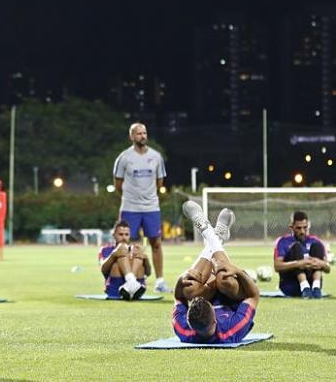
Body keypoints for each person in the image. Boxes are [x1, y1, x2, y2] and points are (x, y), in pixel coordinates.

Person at [172, 201, 259, 344]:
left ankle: (214, 236)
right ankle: (215, 236)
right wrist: (238, 271)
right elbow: (254, 296)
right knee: (224, 279)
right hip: (232, 294)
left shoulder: (183, 330)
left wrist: (181, 278)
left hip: (207, 285)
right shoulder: (231, 330)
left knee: (189, 287)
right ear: (215, 320)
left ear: (188, 319)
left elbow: (178, 298)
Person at [112, 122, 169, 293]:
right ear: (131, 136)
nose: (142, 136)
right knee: (128, 244)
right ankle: (132, 280)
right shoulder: (124, 158)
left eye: (144, 133)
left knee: (156, 243)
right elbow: (117, 184)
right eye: (138, 133)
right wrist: (133, 197)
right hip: (130, 207)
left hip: (151, 207)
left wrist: (148, 196)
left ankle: (160, 281)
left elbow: (160, 181)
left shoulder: (156, 157)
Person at [273, 211, 331, 299]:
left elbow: (328, 268)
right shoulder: (283, 241)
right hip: (291, 285)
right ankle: (305, 287)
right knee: (297, 247)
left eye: (305, 227)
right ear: (291, 227)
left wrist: (321, 263)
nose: (302, 231)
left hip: (311, 281)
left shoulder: (315, 240)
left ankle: (316, 288)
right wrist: (298, 263)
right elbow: (277, 266)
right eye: (298, 228)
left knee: (317, 246)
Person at [98, 220, 149, 300]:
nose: (124, 237)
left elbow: (148, 273)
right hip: (115, 291)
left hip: (137, 290)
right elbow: (103, 270)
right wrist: (113, 255)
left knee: (137, 252)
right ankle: (132, 283)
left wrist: (146, 259)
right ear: (114, 235)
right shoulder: (105, 249)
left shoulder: (134, 249)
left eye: (126, 234)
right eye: (121, 234)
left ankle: (131, 284)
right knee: (121, 249)